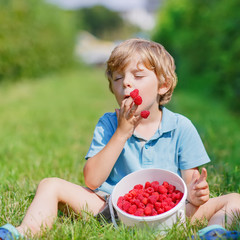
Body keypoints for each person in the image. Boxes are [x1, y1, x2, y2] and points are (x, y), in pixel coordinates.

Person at [0, 39, 239, 240]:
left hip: (170, 214)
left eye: (137, 75)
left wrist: (196, 195)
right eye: (117, 78)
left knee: (235, 200)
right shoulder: (108, 124)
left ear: (163, 85)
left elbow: (189, 187)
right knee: (50, 185)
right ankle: (24, 231)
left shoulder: (181, 127)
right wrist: (122, 132)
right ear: (112, 88)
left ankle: (213, 231)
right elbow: (92, 180)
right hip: (111, 210)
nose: (126, 82)